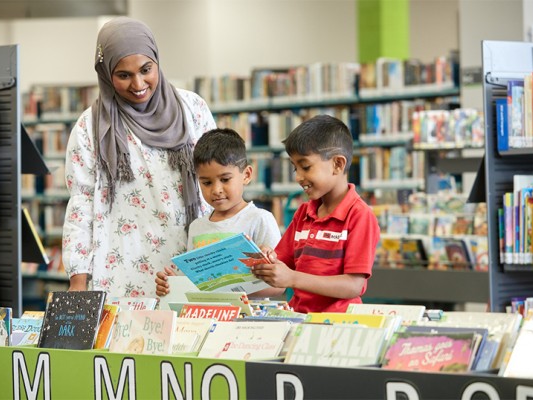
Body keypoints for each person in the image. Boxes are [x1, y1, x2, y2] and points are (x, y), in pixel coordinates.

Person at [62, 17, 216, 298]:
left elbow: (219, 179)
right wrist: (77, 280)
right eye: (123, 75)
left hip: (190, 265)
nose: (138, 83)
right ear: (106, 74)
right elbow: (80, 206)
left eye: (146, 69)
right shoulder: (89, 128)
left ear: (157, 60)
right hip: (120, 274)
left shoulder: (192, 108)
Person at [251, 114, 380, 313]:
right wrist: (267, 259)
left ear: (338, 164)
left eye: (305, 167)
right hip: (298, 318)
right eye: (295, 168)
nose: (299, 177)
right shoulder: (303, 212)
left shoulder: (359, 215)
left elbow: (353, 286)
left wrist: (293, 278)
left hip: (338, 324)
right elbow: (282, 264)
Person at [155, 128, 282, 297]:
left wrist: (230, 288)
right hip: (207, 318)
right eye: (206, 182)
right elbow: (194, 284)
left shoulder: (260, 219)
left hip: (247, 320)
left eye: (225, 179)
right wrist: (173, 285)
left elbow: (280, 286)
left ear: (247, 175)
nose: (216, 190)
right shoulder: (197, 227)